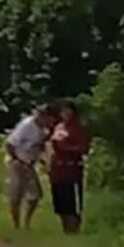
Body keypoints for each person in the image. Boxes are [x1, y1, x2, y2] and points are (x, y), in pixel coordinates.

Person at [5, 104, 56, 229]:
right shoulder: (27, 126)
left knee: (35, 195)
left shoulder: (45, 130)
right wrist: (16, 159)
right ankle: (16, 224)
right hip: (18, 162)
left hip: (30, 163)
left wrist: (44, 160)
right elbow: (10, 143)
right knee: (17, 193)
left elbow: (42, 146)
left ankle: (26, 223)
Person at [48, 100, 91, 234]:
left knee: (73, 203)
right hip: (57, 169)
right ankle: (65, 229)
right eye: (63, 111)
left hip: (71, 169)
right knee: (61, 202)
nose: (65, 114)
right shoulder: (59, 127)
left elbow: (84, 148)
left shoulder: (78, 128)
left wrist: (67, 149)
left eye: (68, 111)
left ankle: (74, 230)